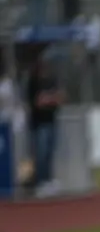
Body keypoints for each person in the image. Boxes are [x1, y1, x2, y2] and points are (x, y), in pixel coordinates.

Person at [26, 60, 62, 197]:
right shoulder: (33, 82)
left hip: (51, 120)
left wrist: (49, 99)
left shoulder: (52, 80)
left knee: (49, 153)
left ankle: (49, 180)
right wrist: (49, 99)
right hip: (39, 123)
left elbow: (60, 97)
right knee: (41, 154)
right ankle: (40, 182)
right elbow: (38, 102)